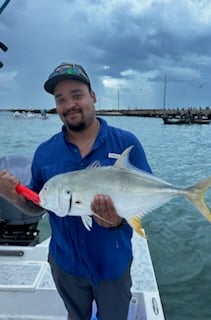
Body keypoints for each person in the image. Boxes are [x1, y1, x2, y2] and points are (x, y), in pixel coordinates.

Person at [0, 62, 152, 320]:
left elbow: (143, 194)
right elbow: (39, 206)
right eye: (61, 99)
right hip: (66, 264)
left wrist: (116, 222)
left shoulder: (125, 143)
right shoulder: (45, 153)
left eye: (77, 95)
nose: (69, 104)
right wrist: (13, 195)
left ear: (92, 96)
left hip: (112, 264)